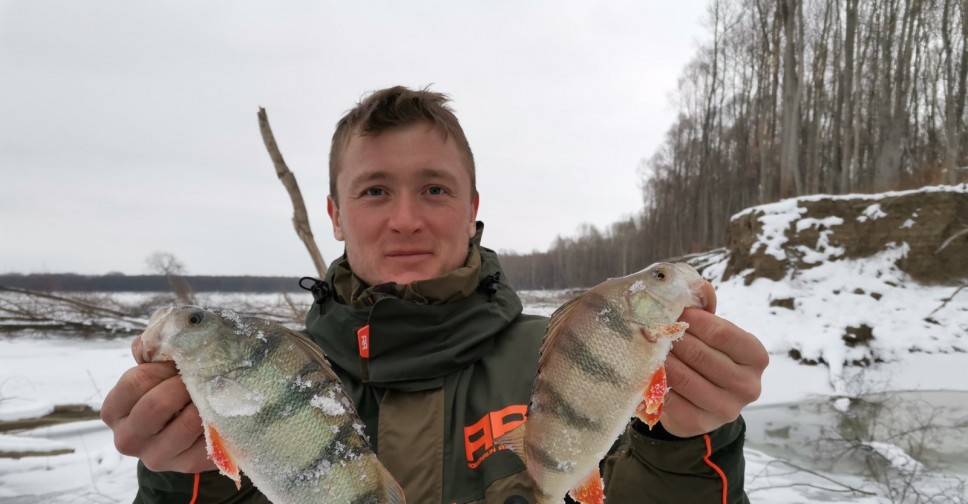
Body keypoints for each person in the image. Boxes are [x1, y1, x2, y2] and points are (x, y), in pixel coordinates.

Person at [101, 86, 769, 503]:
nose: (406, 219)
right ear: (333, 214)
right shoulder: (267, 381)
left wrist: (691, 442)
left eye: (435, 189)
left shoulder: (563, 356)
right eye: (374, 191)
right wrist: (179, 477)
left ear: (473, 206)